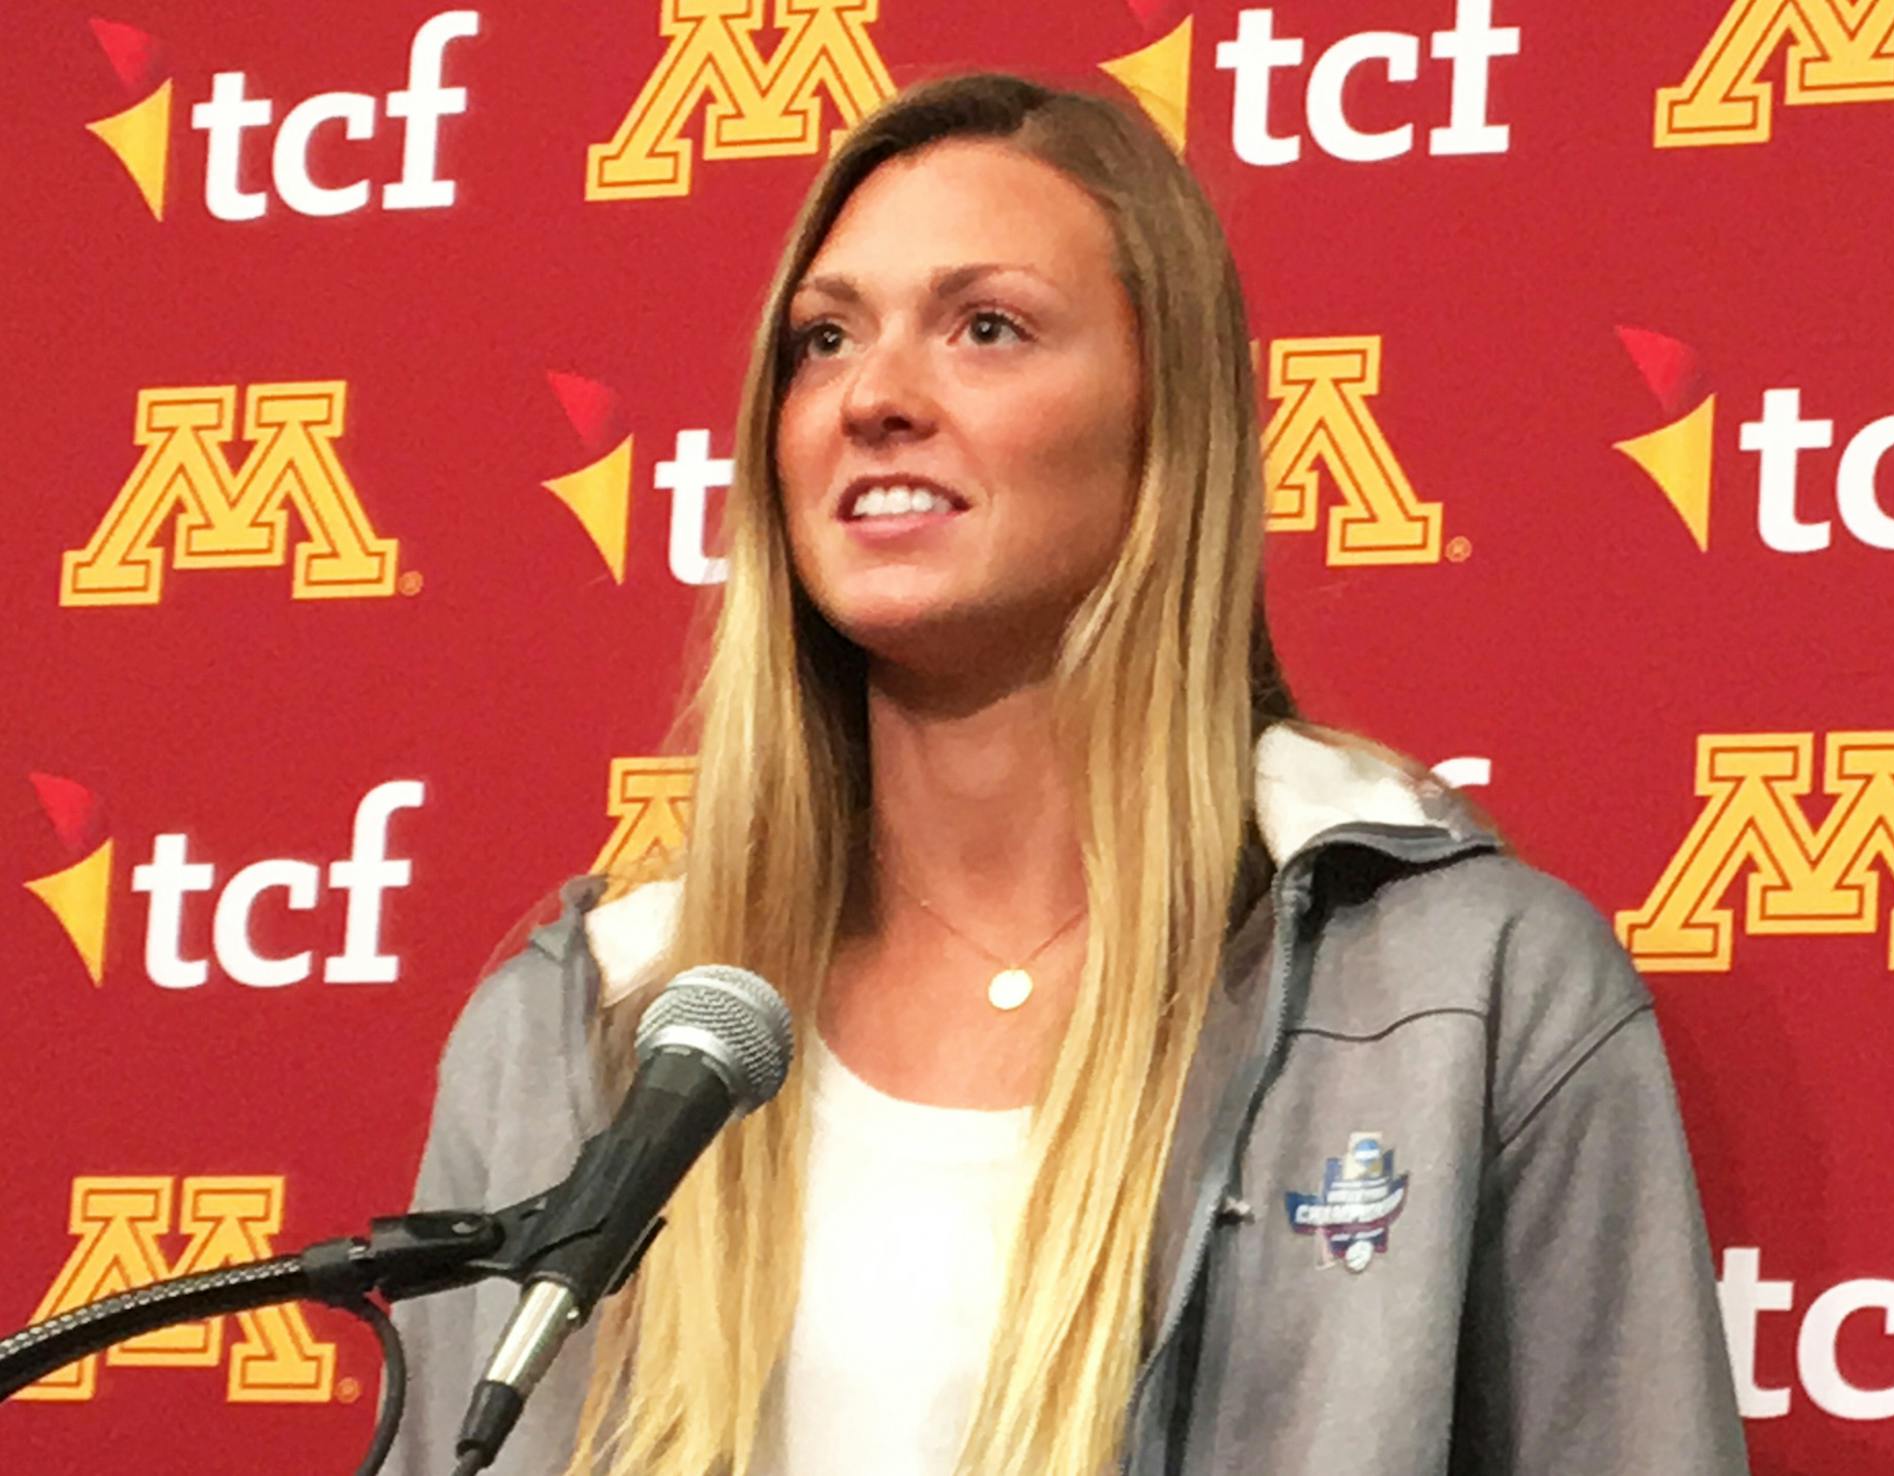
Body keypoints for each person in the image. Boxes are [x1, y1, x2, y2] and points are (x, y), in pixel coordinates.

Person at [386, 72, 1749, 1476]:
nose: (875, 398)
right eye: (823, 339)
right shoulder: (585, 1032)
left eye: (987, 328)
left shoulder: (1467, 998)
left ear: (1171, 423)